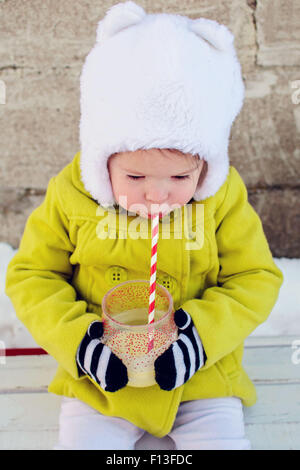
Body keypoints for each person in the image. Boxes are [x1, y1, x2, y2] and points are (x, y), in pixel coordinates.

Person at [5, 2, 283, 450]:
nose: (158, 195)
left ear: (206, 166)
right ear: (102, 159)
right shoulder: (72, 194)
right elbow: (32, 277)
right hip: (101, 381)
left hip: (200, 377)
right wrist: (81, 344)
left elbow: (255, 278)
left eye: (180, 178)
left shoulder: (222, 197)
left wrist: (200, 340)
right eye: (135, 177)